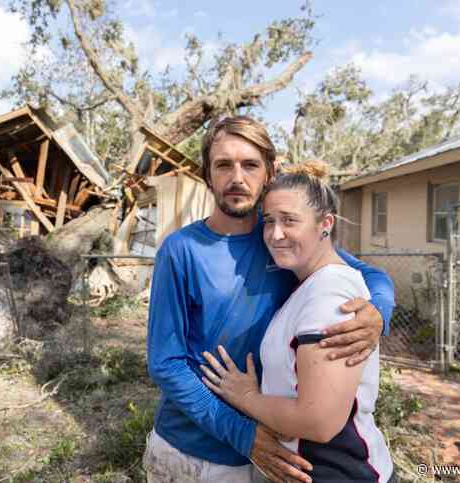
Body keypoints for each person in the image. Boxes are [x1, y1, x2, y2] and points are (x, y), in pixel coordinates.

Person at [144, 116, 395, 483]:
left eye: (250, 164)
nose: (237, 177)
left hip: (271, 448)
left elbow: (372, 277)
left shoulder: (286, 242)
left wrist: (376, 315)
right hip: (192, 452)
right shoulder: (181, 250)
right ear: (206, 175)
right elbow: (166, 364)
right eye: (223, 165)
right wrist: (241, 433)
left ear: (269, 171)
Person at [201, 160, 394, 482]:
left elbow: (319, 421)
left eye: (289, 220)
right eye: (268, 221)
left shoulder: (329, 297)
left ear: (325, 224)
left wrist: (246, 398)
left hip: (338, 472)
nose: (275, 234)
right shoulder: (309, 281)